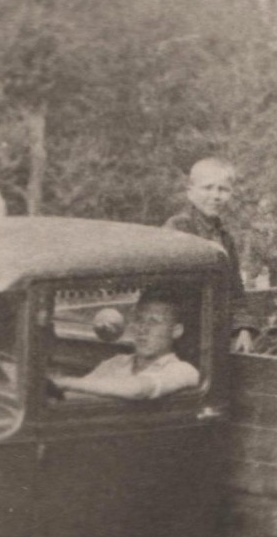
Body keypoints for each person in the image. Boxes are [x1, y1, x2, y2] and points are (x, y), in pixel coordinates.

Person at [164, 158, 257, 352]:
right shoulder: (177, 228)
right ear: (190, 192)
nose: (216, 196)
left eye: (223, 190)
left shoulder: (224, 237)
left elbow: (235, 291)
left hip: (215, 337)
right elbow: (164, 289)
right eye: (208, 188)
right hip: (180, 336)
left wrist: (243, 328)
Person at [50, 295, 199, 401]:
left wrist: (63, 381)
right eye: (139, 320)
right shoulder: (116, 362)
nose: (143, 329)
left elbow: (138, 389)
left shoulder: (183, 370)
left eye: (154, 322)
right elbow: (76, 393)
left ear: (176, 331)